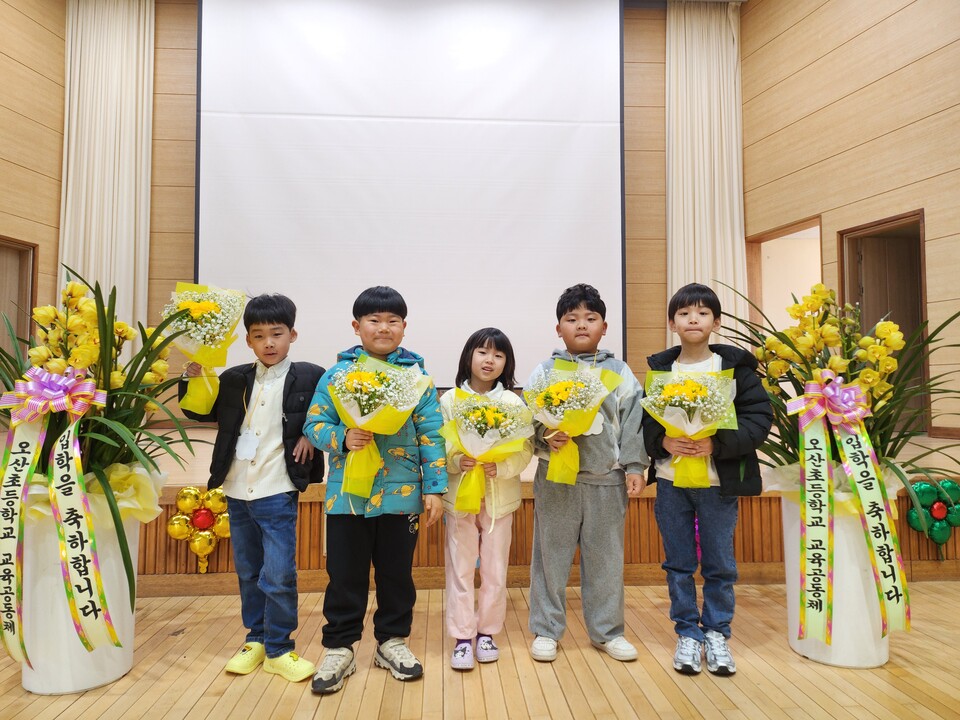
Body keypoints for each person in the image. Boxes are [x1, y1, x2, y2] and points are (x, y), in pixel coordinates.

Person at [304, 286, 448, 694]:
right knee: (344, 575)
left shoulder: (417, 380)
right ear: (357, 326)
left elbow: (432, 435)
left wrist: (435, 489)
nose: (384, 328)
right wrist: (341, 436)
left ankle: (392, 642)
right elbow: (313, 425)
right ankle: (339, 647)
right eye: (374, 320)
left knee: (396, 574)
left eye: (392, 321)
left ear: (404, 327)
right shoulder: (338, 376)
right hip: (347, 496)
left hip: (401, 497)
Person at [179, 293, 324, 683]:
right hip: (236, 488)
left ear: (292, 334)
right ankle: (255, 639)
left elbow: (328, 414)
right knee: (247, 570)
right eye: (259, 336)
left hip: (277, 487)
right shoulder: (233, 378)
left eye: (277, 334)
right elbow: (199, 411)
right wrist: (193, 377)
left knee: (279, 574)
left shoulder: (311, 375)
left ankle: (279, 648)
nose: (269, 343)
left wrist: (311, 434)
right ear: (247, 340)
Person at [642, 282, 772, 676]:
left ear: (716, 322)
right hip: (671, 482)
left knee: (719, 564)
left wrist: (717, 444)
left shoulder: (734, 370)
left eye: (702, 312)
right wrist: (663, 441)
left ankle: (716, 632)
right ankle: (687, 632)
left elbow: (758, 419)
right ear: (672, 323)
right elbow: (647, 422)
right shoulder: (661, 370)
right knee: (678, 563)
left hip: (718, 484)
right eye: (684, 313)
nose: (693, 319)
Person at [527, 283, 648, 663]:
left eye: (590, 318)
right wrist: (547, 437)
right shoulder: (545, 371)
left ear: (604, 327)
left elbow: (633, 422)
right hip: (555, 480)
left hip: (606, 480)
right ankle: (546, 630)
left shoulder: (619, 371)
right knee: (550, 559)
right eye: (572, 318)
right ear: (558, 328)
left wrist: (635, 466)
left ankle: (608, 632)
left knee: (606, 561)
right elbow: (528, 420)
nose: (581, 325)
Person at [441, 328, 533, 670]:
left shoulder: (512, 403)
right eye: (482, 352)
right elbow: (440, 445)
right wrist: (456, 461)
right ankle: (462, 638)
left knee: (495, 570)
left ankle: (486, 634)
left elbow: (524, 450)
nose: (489, 360)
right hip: (460, 499)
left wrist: (502, 466)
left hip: (499, 499)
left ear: (506, 363)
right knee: (460, 568)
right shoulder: (450, 400)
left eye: (498, 355)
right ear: (469, 356)